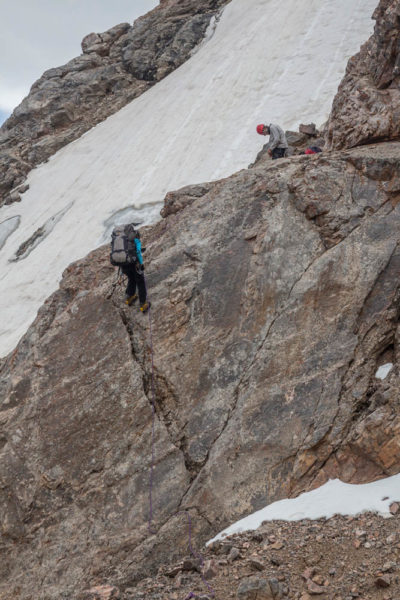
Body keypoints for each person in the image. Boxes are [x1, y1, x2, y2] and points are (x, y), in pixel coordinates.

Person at [110, 224, 150, 313]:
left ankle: (130, 297)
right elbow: (139, 252)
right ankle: (143, 303)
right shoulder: (135, 239)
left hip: (123, 264)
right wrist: (141, 263)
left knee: (131, 279)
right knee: (140, 281)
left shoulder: (119, 240)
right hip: (133, 263)